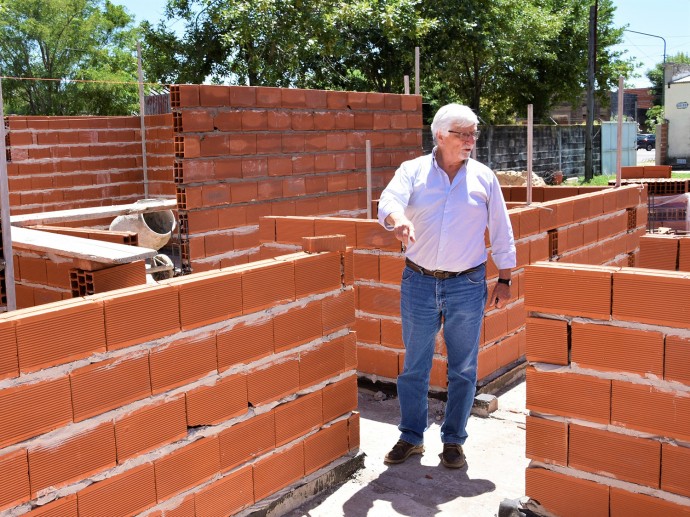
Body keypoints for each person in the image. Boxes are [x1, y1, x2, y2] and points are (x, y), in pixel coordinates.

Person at [377, 103, 516, 469]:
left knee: (464, 368)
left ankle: (454, 440)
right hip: (419, 281)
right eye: (463, 134)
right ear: (440, 135)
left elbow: (501, 227)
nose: (471, 140)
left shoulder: (484, 177)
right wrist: (398, 220)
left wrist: (505, 276)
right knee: (414, 366)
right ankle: (411, 436)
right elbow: (388, 200)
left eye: (473, 133)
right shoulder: (414, 171)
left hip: (467, 285)